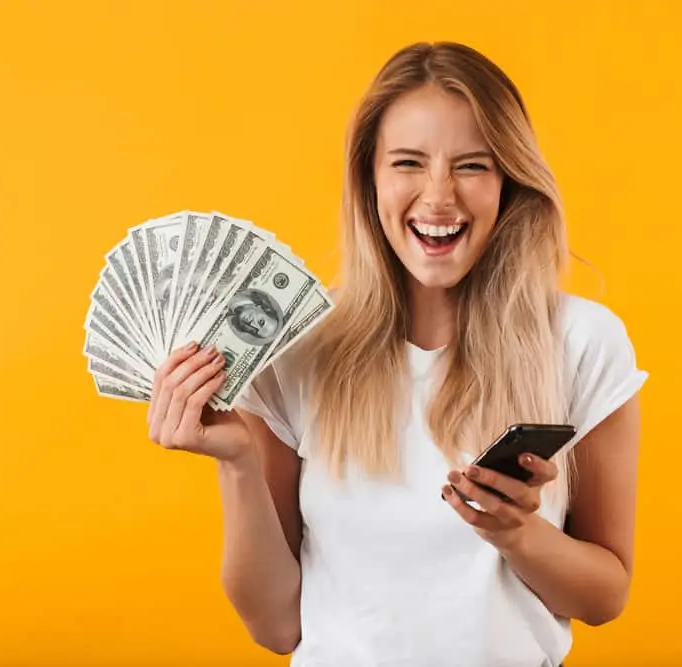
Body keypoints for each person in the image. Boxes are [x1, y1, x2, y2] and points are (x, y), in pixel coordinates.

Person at [146, 41, 649, 667]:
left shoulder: (582, 342)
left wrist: (517, 532)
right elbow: (276, 627)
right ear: (369, 179)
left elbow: (605, 596)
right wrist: (238, 463)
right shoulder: (295, 348)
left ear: (509, 183)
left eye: (472, 166)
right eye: (408, 162)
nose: (439, 198)